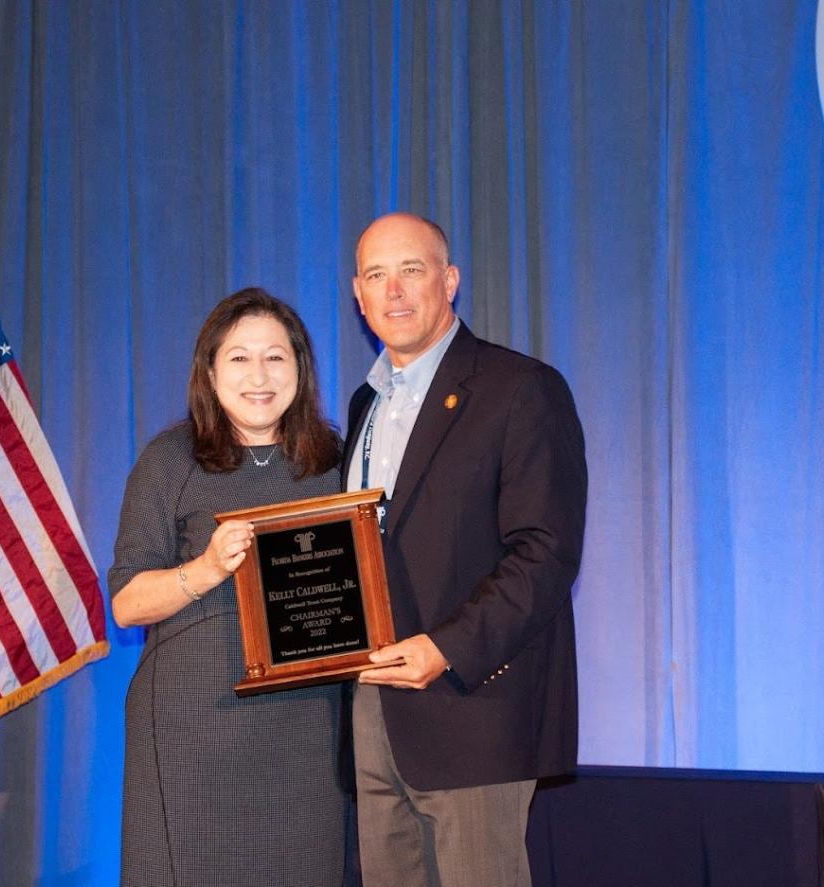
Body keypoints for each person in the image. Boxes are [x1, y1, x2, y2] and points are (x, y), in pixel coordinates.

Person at [344, 213, 587, 887]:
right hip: (375, 712)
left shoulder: (520, 389)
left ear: (449, 281)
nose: (393, 292)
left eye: (411, 270)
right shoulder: (363, 406)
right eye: (375, 275)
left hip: (476, 708)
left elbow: (547, 552)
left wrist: (445, 646)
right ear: (357, 296)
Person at [109, 288, 348, 886]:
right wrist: (209, 569)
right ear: (210, 371)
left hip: (305, 724)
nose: (259, 376)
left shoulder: (333, 462)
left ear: (301, 368)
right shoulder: (172, 459)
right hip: (191, 722)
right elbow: (127, 603)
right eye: (239, 358)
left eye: (276, 357)